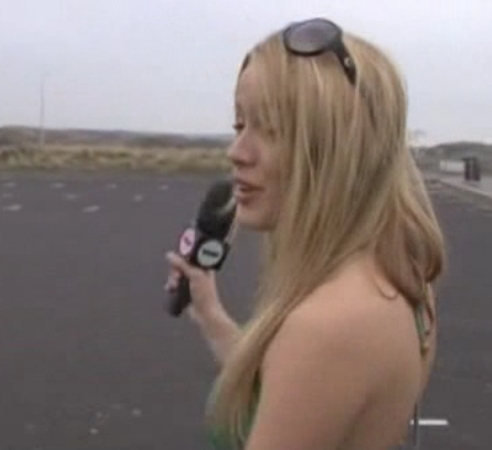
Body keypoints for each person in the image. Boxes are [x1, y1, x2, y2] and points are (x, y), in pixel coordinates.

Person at [164, 17, 446, 450]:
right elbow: (296, 396)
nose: (236, 152)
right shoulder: (404, 277)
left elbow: (313, 366)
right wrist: (212, 315)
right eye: (240, 126)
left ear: (337, 147)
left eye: (270, 129)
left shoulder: (327, 326)